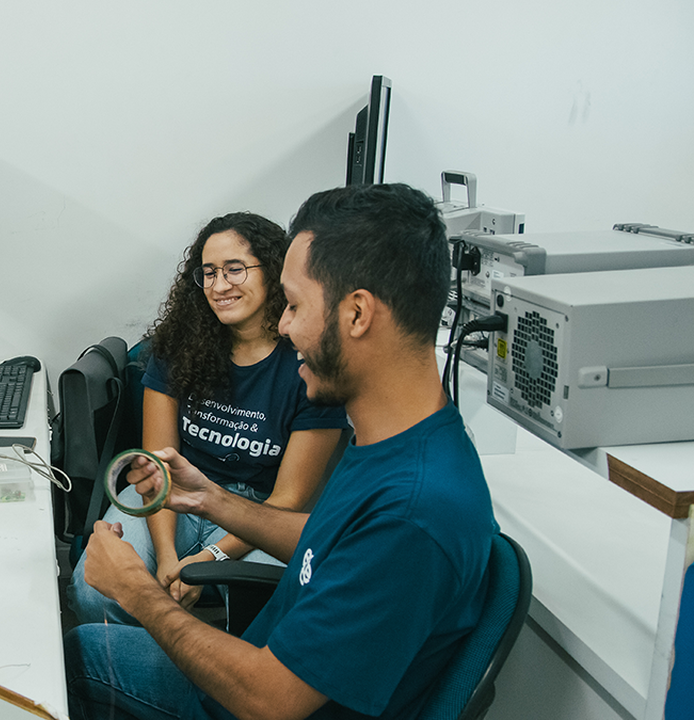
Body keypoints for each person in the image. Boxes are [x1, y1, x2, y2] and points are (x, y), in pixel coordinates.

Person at [66, 183, 497, 720]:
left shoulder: (413, 515)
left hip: (252, 696)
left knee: (75, 656)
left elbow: (270, 701)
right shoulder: (397, 444)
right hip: (261, 662)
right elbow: (330, 539)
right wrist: (210, 500)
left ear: (357, 314)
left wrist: (136, 590)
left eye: (294, 305)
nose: (286, 327)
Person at [69, 212, 348, 624]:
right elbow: (157, 469)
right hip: (174, 497)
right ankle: (150, 658)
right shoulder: (179, 345)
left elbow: (288, 501)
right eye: (210, 273)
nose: (219, 286)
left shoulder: (311, 363)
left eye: (235, 270)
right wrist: (168, 558)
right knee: (93, 591)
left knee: (274, 610)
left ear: (274, 271)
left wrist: (209, 558)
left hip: (258, 511)